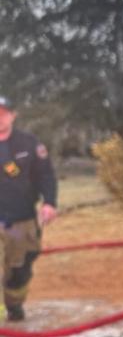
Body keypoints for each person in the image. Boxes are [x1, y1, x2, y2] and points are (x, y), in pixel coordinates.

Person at [0, 96, 57, 321]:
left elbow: (45, 175)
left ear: (13, 115)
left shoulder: (29, 143)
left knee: (19, 271)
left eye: (4, 113)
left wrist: (50, 202)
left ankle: (14, 307)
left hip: (21, 221)